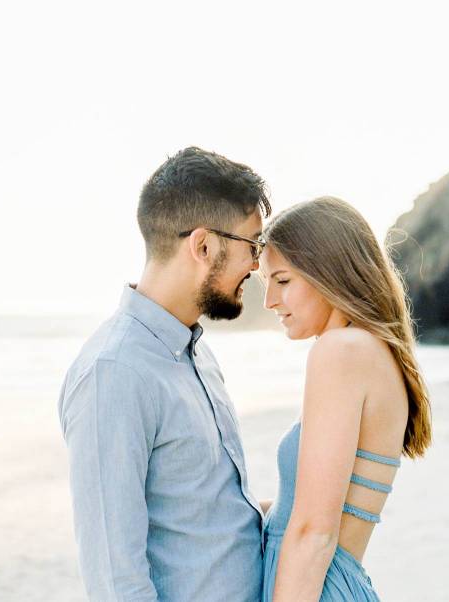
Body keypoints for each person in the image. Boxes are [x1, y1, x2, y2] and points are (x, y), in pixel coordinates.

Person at [57, 147, 271, 601]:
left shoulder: (196, 354)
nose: (257, 265)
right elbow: (116, 581)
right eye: (252, 246)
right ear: (204, 246)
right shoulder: (114, 374)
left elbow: (209, 520)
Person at [257, 196, 432, 601]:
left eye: (282, 281)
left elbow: (315, 532)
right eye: (265, 283)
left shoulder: (341, 351)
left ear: (329, 273)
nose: (269, 302)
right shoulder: (369, 353)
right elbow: (303, 513)